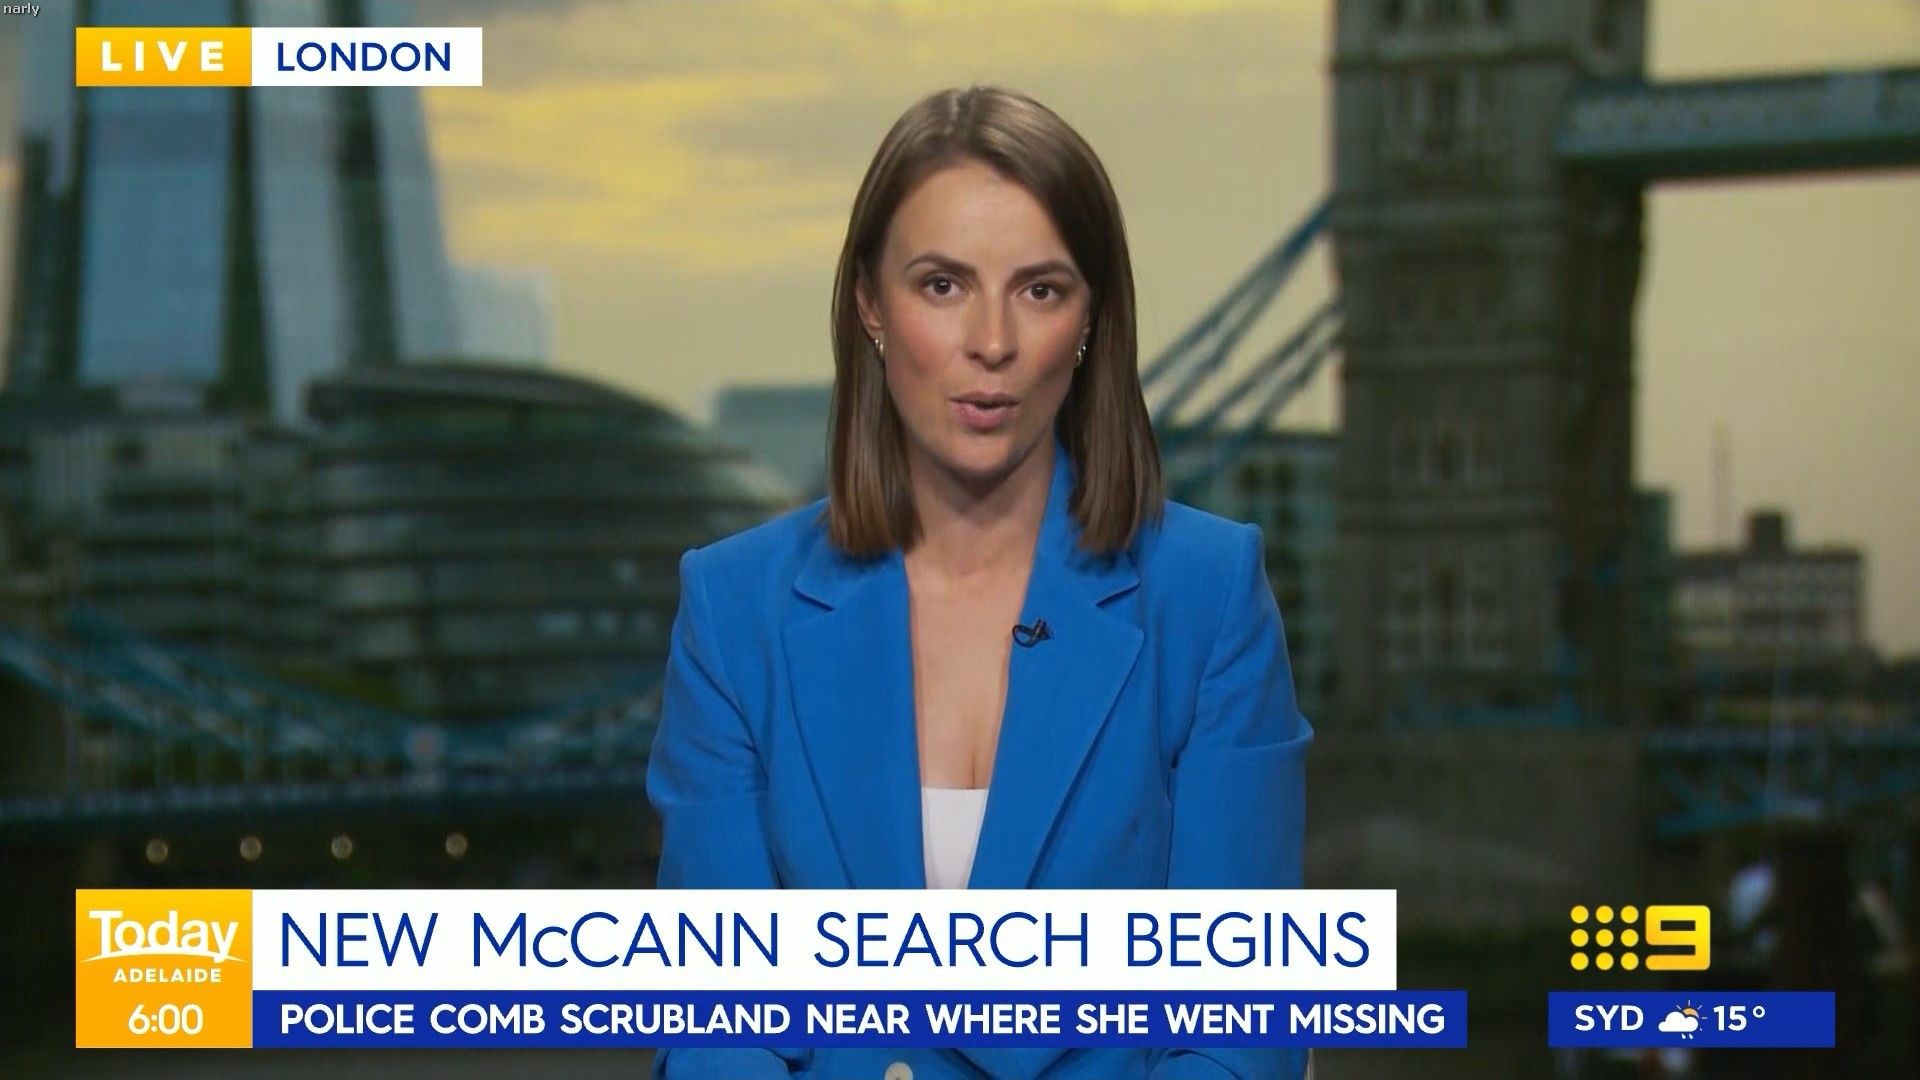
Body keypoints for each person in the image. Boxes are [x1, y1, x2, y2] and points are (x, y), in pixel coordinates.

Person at [646, 84, 1313, 1080]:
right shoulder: (734, 609)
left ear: (1090, 322)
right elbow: (716, 1030)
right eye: (942, 285)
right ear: (871, 306)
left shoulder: (1207, 597)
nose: (992, 341)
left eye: (1040, 290)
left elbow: (1239, 1033)